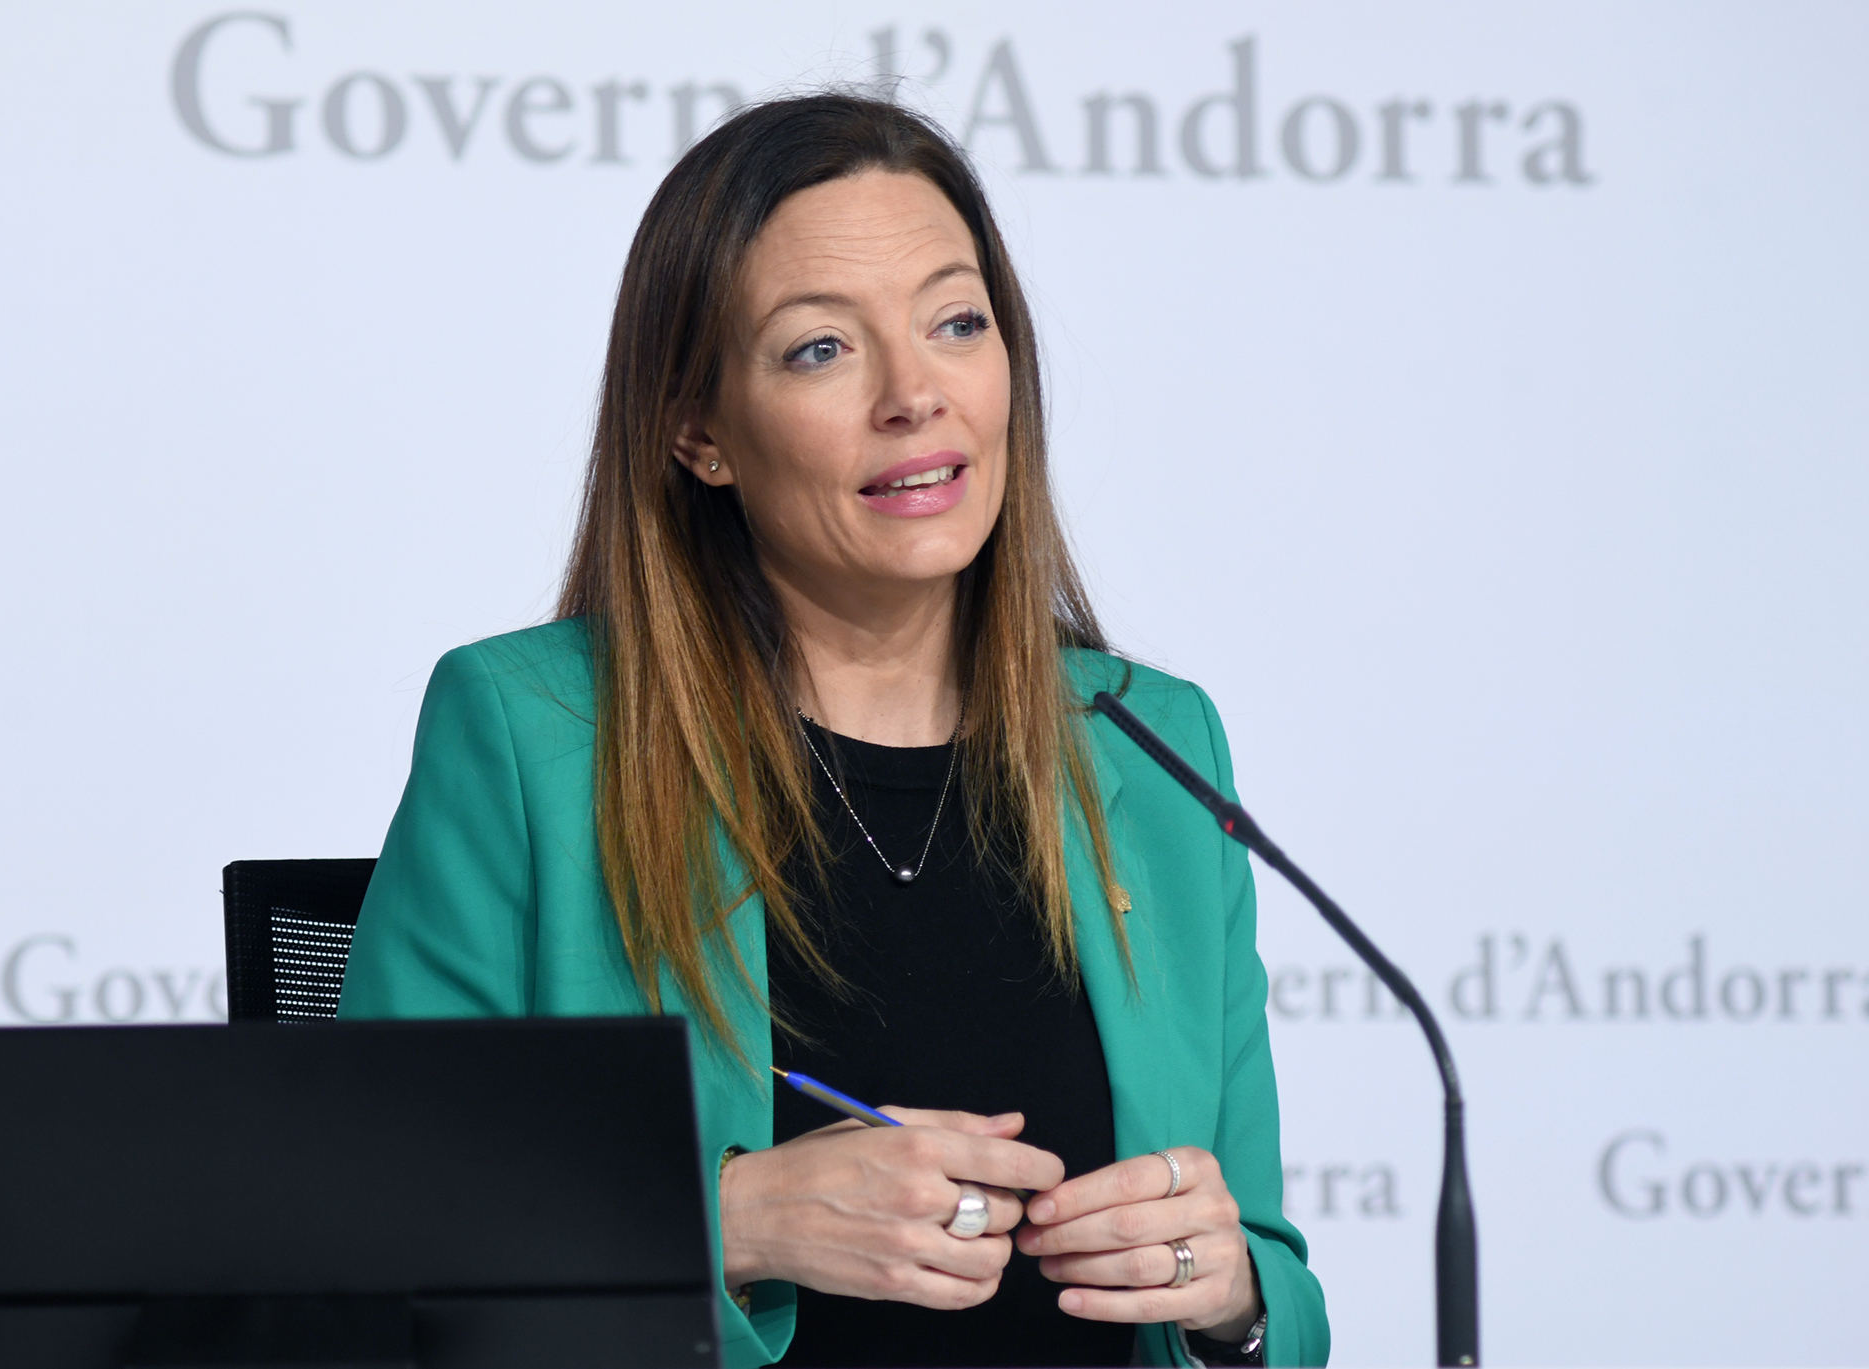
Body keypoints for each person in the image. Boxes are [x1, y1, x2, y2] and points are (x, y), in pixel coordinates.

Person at [338, 93, 1328, 1369]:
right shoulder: (535, 734)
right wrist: (732, 1220)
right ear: (698, 432)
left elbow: (1270, 1285)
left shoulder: (1146, 745)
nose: (914, 395)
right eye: (820, 349)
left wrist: (1230, 1298)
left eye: (955, 323)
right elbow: (373, 1252)